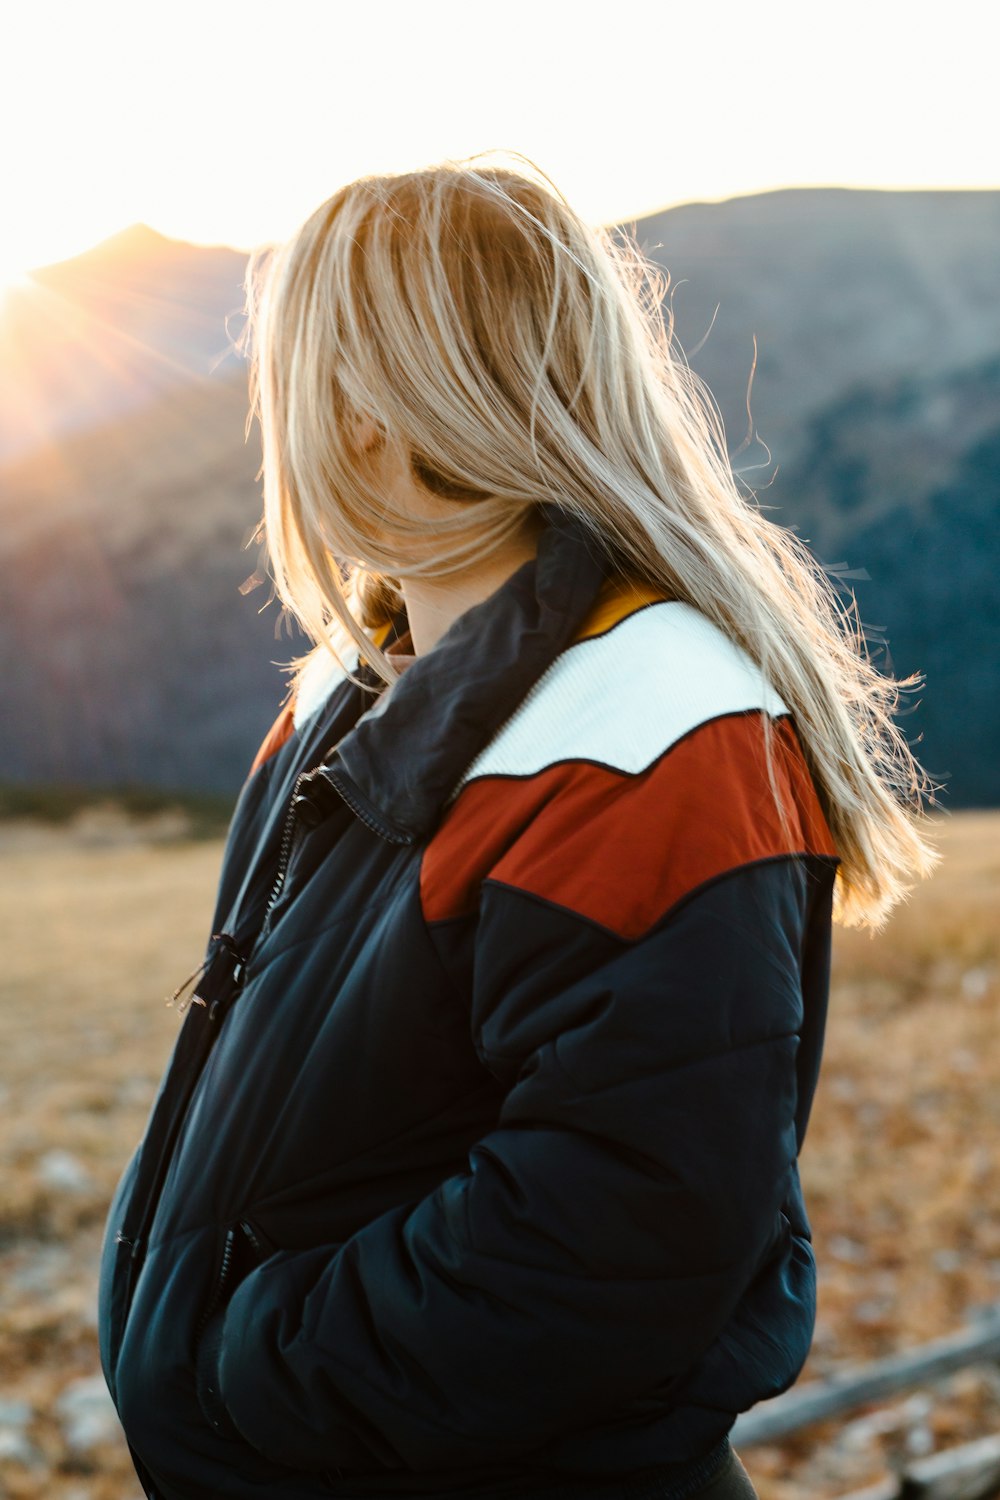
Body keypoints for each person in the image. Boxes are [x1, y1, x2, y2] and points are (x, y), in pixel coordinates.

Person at [97, 152, 938, 1500]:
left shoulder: (650, 731)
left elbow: (615, 1232)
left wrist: (240, 1366)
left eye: (298, 383)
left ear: (369, 416)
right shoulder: (342, 692)